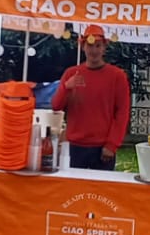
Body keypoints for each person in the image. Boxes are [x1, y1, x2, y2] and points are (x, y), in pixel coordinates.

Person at [50, 24, 131, 171]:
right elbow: (56, 106)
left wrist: (112, 145)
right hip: (74, 146)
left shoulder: (117, 76)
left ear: (104, 48)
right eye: (90, 46)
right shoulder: (71, 74)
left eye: (98, 46)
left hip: (102, 149)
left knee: (100, 186)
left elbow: (122, 113)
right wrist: (66, 87)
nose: (94, 50)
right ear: (83, 47)